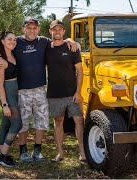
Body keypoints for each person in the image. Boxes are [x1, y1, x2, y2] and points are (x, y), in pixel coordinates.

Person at [0, 18, 78, 162]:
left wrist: (72, 40)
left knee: (41, 120)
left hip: (39, 89)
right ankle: (23, 151)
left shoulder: (43, 41)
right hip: (22, 90)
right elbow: (3, 51)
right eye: (29, 27)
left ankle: (37, 151)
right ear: (23, 29)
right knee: (23, 122)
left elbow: (58, 40)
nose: (32, 30)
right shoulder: (16, 42)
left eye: (34, 28)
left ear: (38, 29)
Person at [46, 20, 86, 162]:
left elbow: (80, 71)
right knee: (58, 122)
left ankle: (82, 152)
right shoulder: (46, 48)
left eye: (60, 29)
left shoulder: (72, 47)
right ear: (50, 31)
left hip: (72, 93)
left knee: (79, 121)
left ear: (63, 31)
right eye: (54, 29)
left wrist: (78, 92)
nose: (57, 32)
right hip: (54, 94)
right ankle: (60, 153)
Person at [0, 30, 22, 167]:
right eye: (9, 39)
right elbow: (0, 86)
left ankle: (2, 153)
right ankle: (2, 155)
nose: (12, 42)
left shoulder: (13, 54)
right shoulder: (0, 61)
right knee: (17, 124)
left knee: (6, 124)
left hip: (14, 94)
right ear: (3, 41)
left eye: (14, 39)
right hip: (6, 96)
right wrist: (5, 104)